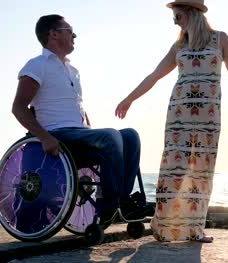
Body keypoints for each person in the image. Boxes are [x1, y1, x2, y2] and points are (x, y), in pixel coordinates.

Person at [115, 0, 228, 242]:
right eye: (174, 18)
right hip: (179, 114)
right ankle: (164, 227)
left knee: (201, 169)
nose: (175, 22)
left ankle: (194, 229)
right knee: (173, 168)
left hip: (209, 115)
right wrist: (129, 98)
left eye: (177, 16)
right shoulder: (179, 45)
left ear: (192, 13)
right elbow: (154, 75)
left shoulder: (220, 39)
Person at [12, 14, 149, 225]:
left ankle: (122, 200)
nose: (74, 35)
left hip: (79, 132)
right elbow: (19, 107)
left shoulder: (72, 70)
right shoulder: (37, 65)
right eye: (70, 30)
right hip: (57, 134)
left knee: (130, 136)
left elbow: (78, 109)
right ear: (54, 34)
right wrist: (45, 137)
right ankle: (112, 204)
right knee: (110, 135)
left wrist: (91, 131)